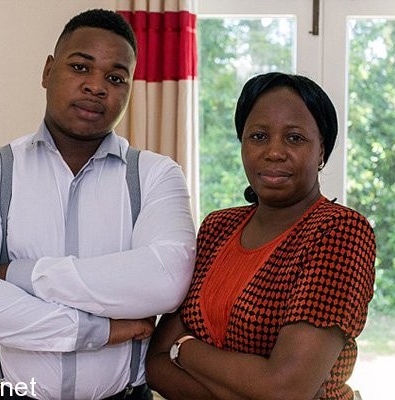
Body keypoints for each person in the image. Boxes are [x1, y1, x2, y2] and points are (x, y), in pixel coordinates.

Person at [0, 9, 196, 400]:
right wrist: (98, 330)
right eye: (80, 67)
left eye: (115, 78)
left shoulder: (156, 175)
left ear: (129, 90)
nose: (96, 87)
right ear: (47, 71)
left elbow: (166, 282)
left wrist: (19, 274)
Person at [145, 72, 376, 400]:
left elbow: (286, 389)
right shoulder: (217, 228)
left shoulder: (340, 232)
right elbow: (155, 364)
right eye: (258, 136)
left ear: (322, 150)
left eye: (294, 138)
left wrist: (183, 349)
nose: (274, 152)